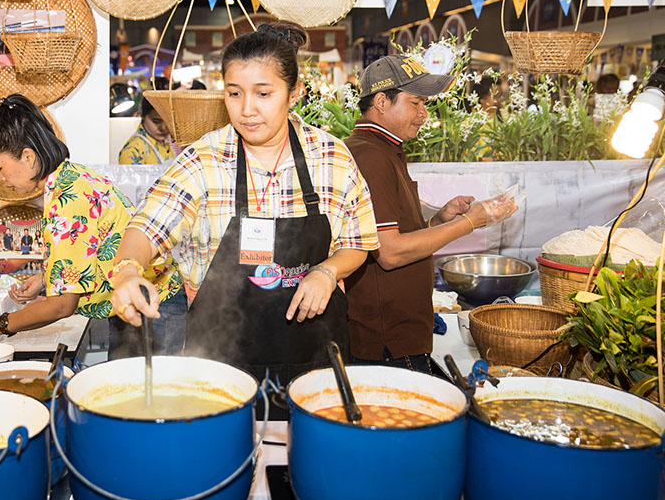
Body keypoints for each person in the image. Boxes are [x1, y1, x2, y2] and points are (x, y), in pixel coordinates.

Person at [109, 22, 380, 388]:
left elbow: (357, 243)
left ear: (294, 91)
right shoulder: (204, 159)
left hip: (315, 359)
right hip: (220, 360)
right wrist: (127, 270)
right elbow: (146, 226)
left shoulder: (332, 157)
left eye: (263, 94)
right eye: (234, 94)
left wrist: (327, 272)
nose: (247, 110)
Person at [0, 94, 186, 360]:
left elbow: (62, 306)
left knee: (142, 396)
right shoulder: (69, 177)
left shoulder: (69, 199)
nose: (0, 177)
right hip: (134, 299)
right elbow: (86, 254)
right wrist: (46, 279)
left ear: (28, 157)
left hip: (153, 305)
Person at [343, 55, 518, 374]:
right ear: (382, 101)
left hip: (399, 334)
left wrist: (439, 221)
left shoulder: (386, 149)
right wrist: (471, 221)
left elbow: (388, 238)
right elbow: (390, 253)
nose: (424, 113)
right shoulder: (369, 155)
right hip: (386, 341)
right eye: (416, 103)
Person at [118, 98, 174, 165]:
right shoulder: (133, 151)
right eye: (156, 121)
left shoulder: (165, 141)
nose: (163, 128)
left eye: (169, 122)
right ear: (143, 116)